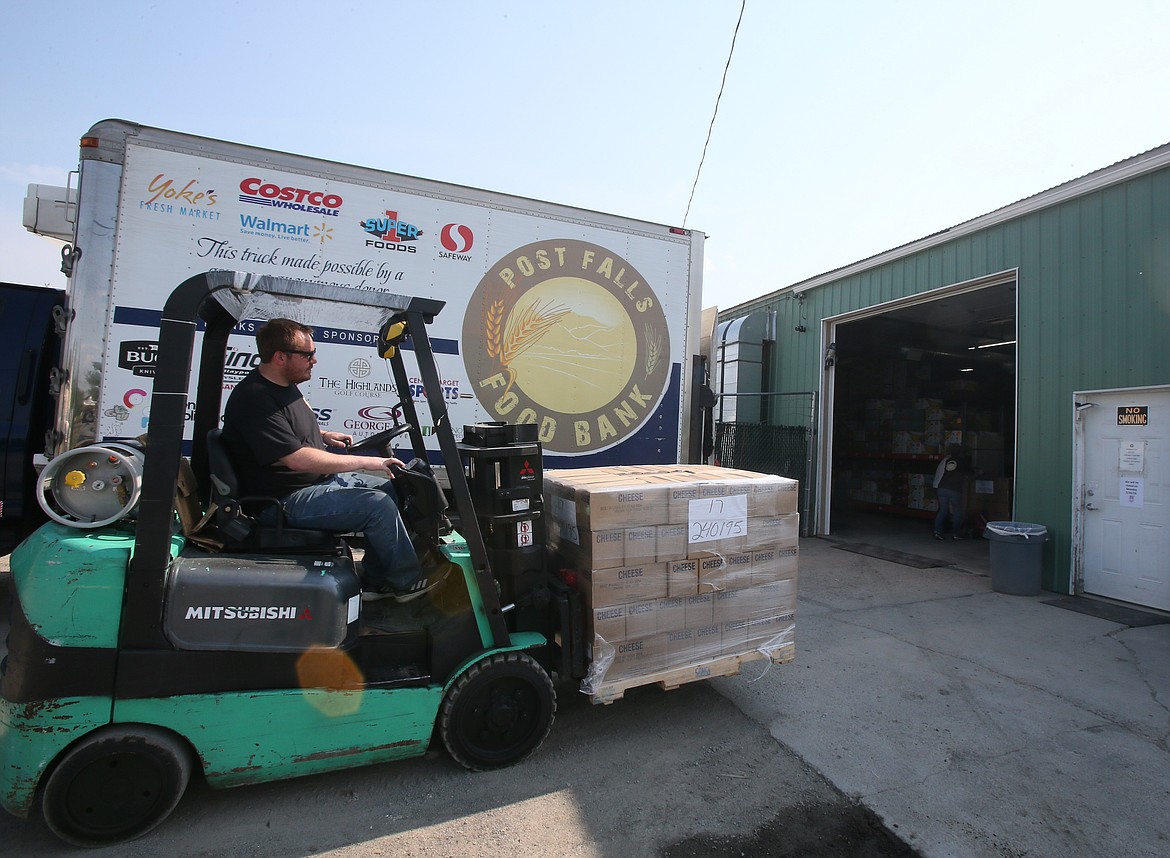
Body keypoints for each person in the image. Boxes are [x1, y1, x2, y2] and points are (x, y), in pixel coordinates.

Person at [221, 318, 447, 602]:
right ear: (280, 357)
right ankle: (405, 582)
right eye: (308, 354)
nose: (314, 360)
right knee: (376, 505)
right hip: (282, 500)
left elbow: (289, 431)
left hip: (312, 485)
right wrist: (369, 462)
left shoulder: (284, 385)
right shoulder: (255, 398)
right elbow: (297, 459)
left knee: (398, 487)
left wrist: (324, 434)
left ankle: (378, 581)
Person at [932, 444, 971, 540]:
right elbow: (969, 472)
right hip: (954, 489)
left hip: (942, 487)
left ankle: (937, 531)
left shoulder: (947, 460)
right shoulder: (961, 461)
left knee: (943, 510)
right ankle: (956, 534)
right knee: (957, 511)